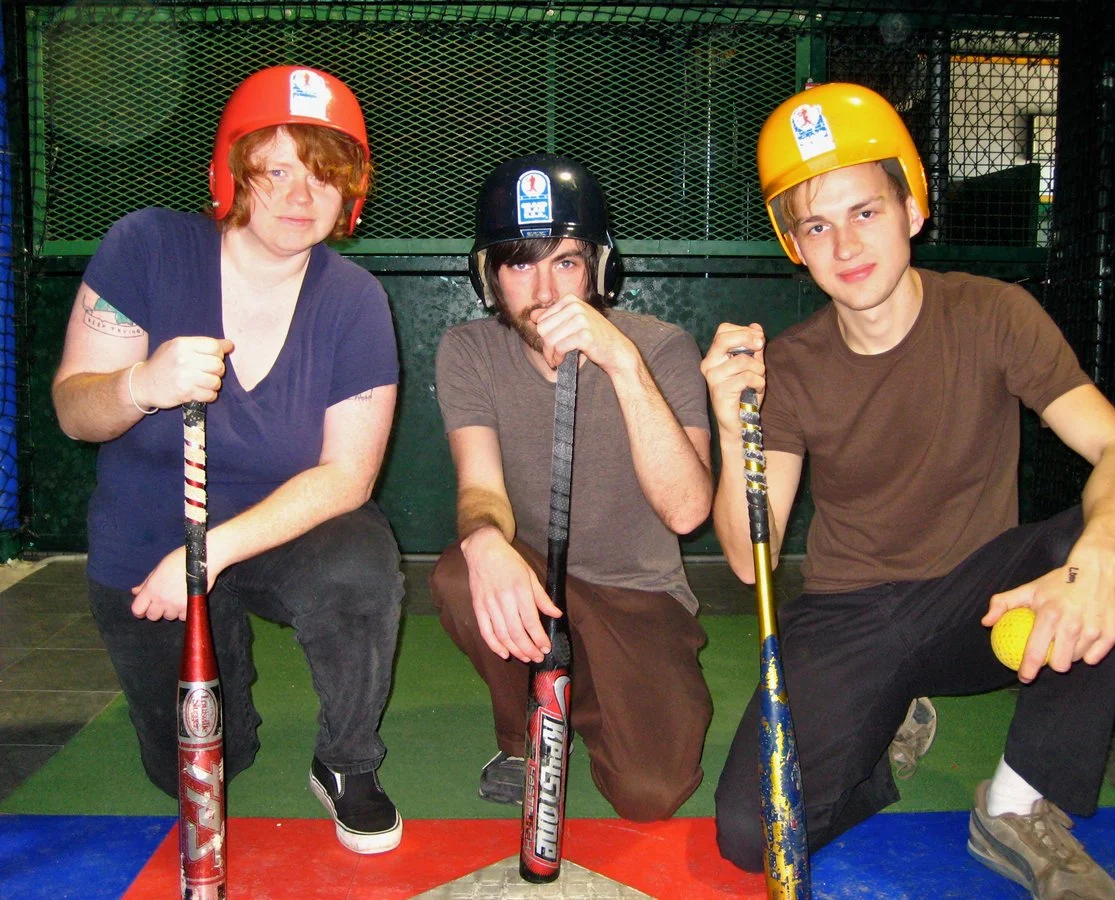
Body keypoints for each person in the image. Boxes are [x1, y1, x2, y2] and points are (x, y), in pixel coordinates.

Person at [701, 83, 1115, 899]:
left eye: (865, 211)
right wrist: (729, 420)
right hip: (849, 615)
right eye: (817, 225)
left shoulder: (994, 314)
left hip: (979, 603)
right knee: (751, 836)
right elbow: (748, 562)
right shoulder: (791, 367)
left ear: (913, 209)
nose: (846, 244)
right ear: (795, 247)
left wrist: (1094, 559)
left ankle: (1016, 805)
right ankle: (881, 741)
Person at [51, 66, 404, 855]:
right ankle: (225, 668)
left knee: (359, 565)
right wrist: (141, 385)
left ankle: (347, 760)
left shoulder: (354, 300)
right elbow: (75, 412)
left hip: (279, 527)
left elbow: (347, 477)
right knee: (203, 764)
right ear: (232, 173)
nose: (300, 195)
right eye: (277, 170)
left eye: (324, 176)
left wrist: (208, 557)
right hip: (150, 537)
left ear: (351, 193)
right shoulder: (146, 246)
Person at [431, 154, 714, 821]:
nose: (545, 292)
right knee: (463, 571)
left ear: (598, 269)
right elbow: (480, 490)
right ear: (490, 276)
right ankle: (523, 732)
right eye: (519, 264)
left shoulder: (661, 348)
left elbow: (686, 510)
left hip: (638, 596)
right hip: (536, 580)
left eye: (565, 263)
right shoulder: (469, 351)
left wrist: (622, 364)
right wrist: (483, 540)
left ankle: (582, 691)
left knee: (650, 793)